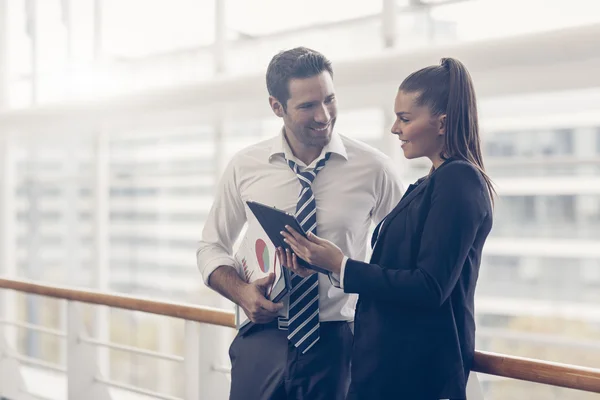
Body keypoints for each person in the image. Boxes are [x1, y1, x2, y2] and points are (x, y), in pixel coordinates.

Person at [280, 57, 495, 400]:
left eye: (405, 119)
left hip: (415, 379)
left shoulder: (459, 181)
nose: (395, 128)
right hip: (387, 372)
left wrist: (341, 265)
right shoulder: (429, 183)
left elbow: (429, 286)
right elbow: (396, 273)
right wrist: (325, 265)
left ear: (443, 123)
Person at [196, 47, 404, 400]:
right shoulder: (245, 167)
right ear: (277, 107)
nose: (323, 115)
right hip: (262, 340)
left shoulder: (376, 169)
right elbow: (211, 247)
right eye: (308, 105)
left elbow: (401, 263)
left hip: (339, 344)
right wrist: (242, 293)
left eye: (330, 100)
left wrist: (341, 270)